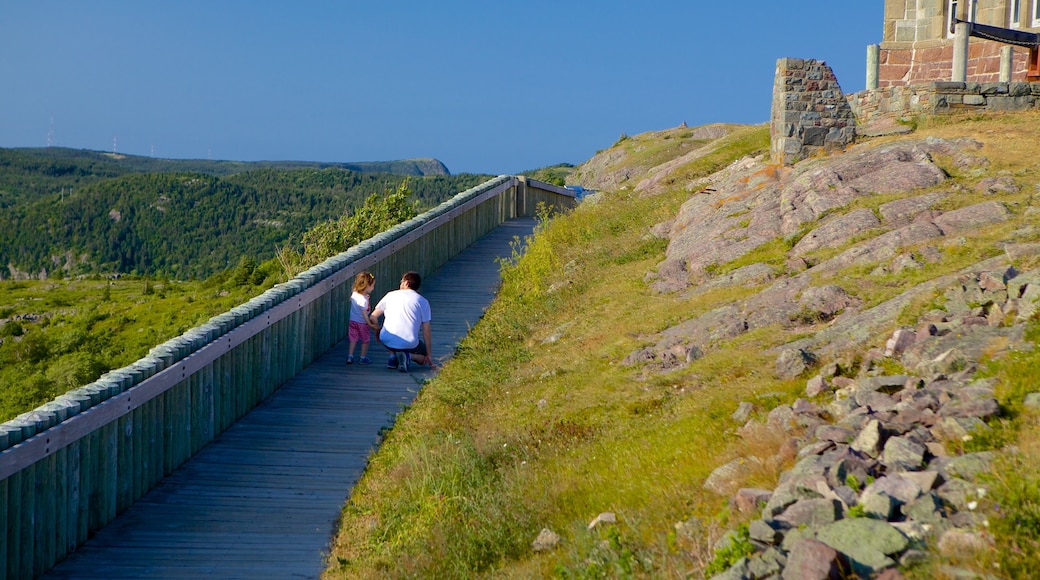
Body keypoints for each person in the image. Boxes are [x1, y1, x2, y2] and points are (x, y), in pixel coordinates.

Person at [369, 271, 437, 372]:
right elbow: (426, 331)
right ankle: (408, 356)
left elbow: (373, 317)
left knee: (392, 337)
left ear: (406, 283)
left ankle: (393, 357)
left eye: (401, 281)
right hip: (409, 342)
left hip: (385, 338)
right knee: (423, 354)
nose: (400, 284)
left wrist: (378, 331)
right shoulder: (422, 301)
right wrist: (429, 354)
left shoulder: (390, 295)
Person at [345, 271, 378, 365]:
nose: (373, 288)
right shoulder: (363, 301)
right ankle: (362, 357)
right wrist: (370, 324)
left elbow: (352, 297)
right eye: (372, 286)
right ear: (367, 286)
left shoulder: (355, 294)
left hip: (352, 321)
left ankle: (350, 356)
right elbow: (364, 315)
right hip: (362, 323)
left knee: (353, 338)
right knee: (365, 339)